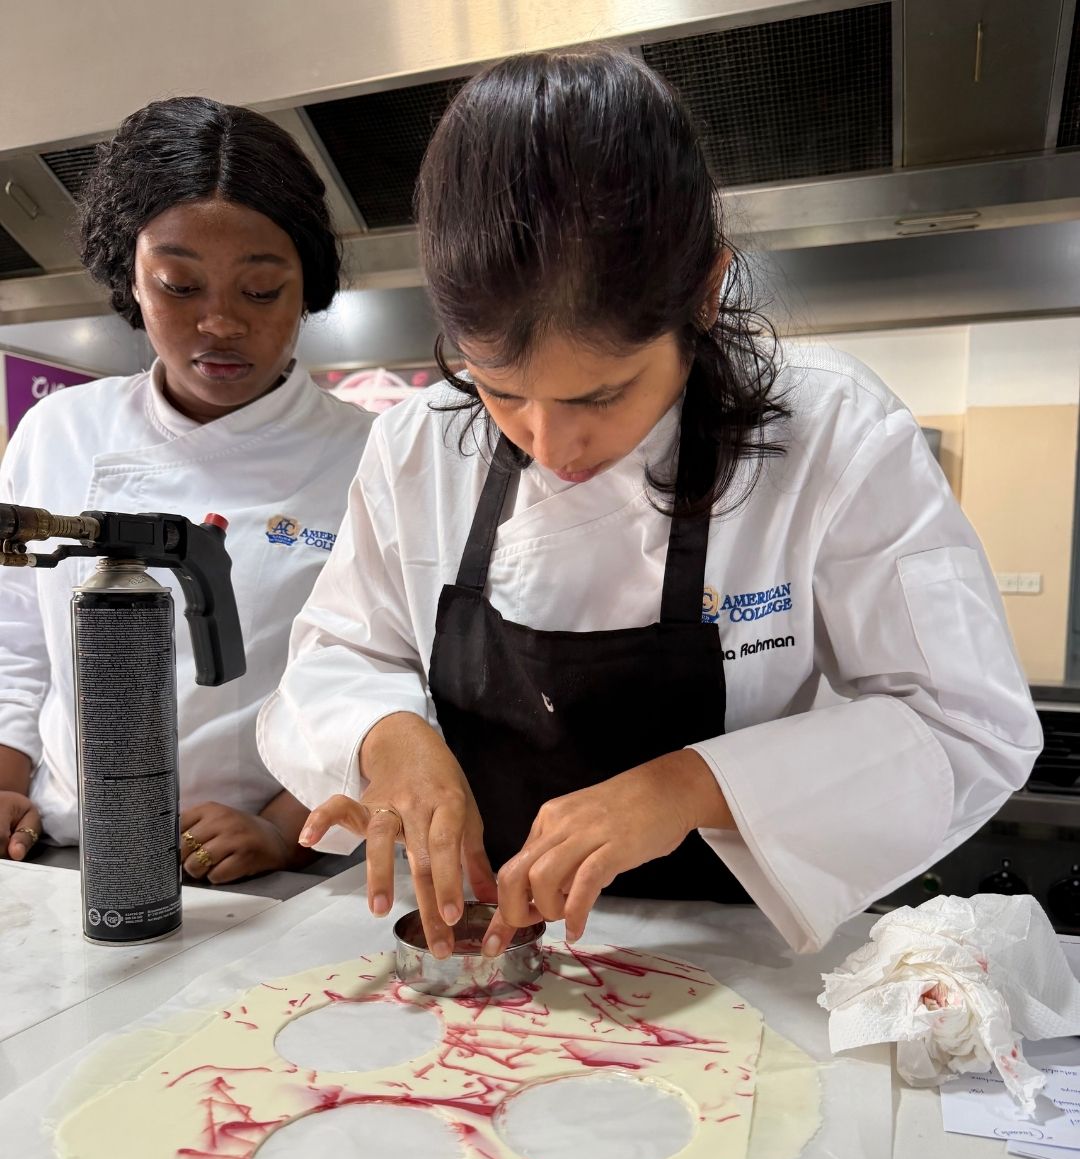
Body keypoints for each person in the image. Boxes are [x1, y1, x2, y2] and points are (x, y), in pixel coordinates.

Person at [258, 49, 1041, 955]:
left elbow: (965, 728)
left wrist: (686, 787)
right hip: (481, 950)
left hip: (726, 955)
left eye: (600, 396)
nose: (550, 446)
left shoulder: (830, 433)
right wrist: (389, 738)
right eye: (500, 392)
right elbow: (339, 650)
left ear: (705, 293)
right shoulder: (415, 443)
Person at [0, 96, 372, 884]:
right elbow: (15, 642)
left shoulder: (369, 455)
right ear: (129, 278)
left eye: (261, 291)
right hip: (67, 852)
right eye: (178, 285)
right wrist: (4, 782)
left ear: (307, 286)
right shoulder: (58, 431)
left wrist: (284, 830)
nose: (221, 323)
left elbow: (390, 672)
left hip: (279, 872)